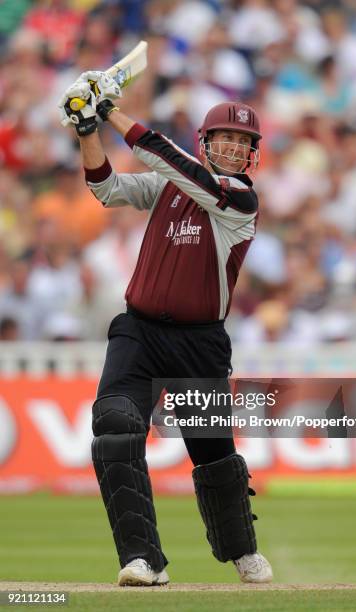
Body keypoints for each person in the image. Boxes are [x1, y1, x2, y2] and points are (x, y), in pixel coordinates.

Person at [58, 71, 273, 587]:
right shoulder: (166, 187)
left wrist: (110, 110)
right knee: (114, 426)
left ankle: (242, 550)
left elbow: (163, 154)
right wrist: (88, 129)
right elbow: (106, 189)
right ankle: (142, 560)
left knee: (214, 455)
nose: (232, 148)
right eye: (224, 138)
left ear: (252, 155)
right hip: (139, 334)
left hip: (200, 346)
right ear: (206, 140)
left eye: (242, 142)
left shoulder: (241, 201)